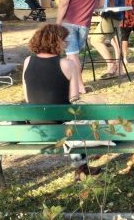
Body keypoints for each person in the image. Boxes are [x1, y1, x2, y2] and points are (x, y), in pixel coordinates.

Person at [22, 24, 99, 180]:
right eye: (64, 40)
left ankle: (82, 168)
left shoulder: (28, 61)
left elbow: (27, 97)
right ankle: (81, 168)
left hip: (35, 120)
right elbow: (74, 97)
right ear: (56, 42)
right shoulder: (67, 64)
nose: (67, 44)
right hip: (60, 123)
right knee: (78, 116)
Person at [56, 0, 105, 95]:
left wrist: (58, 23)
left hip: (69, 22)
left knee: (72, 56)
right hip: (85, 23)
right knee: (72, 56)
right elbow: (101, 4)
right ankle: (70, 84)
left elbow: (64, 2)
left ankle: (79, 87)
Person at [91, 0, 126, 79]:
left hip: (111, 16)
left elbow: (112, 1)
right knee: (115, 43)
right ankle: (119, 70)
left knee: (95, 40)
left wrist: (100, 8)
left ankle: (111, 66)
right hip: (117, 16)